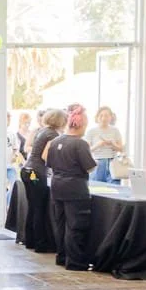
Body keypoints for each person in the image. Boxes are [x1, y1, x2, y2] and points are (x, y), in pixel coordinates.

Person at [43, 106, 97, 271]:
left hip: (57, 186)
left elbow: (49, 163)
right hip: (75, 189)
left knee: (60, 224)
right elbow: (89, 167)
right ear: (80, 125)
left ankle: (62, 256)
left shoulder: (56, 141)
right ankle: (75, 262)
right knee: (75, 225)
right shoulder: (80, 144)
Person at [19, 108, 66, 253]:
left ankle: (30, 240)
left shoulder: (41, 131)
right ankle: (40, 243)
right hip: (37, 173)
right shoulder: (53, 134)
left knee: (33, 206)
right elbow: (46, 156)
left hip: (27, 170)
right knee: (39, 207)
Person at [87, 106, 124, 184]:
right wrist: (99, 144)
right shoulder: (91, 131)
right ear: (97, 117)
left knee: (115, 188)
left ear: (111, 117)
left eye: (107, 115)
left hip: (113, 162)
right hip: (98, 163)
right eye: (101, 115)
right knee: (97, 189)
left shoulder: (115, 130)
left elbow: (121, 149)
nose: (104, 118)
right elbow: (87, 150)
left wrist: (113, 144)